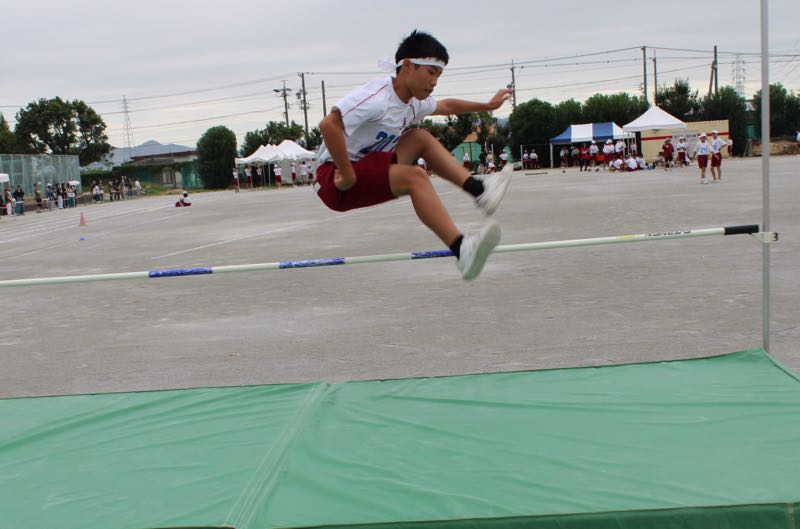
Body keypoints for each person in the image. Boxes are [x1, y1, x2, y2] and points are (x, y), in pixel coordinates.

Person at [315, 30, 513, 281]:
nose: (434, 82)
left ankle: (479, 190)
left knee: (419, 137)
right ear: (407, 66)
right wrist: (347, 174)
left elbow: (446, 106)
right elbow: (329, 124)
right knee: (416, 177)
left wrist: (488, 106)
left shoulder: (413, 103)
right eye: (431, 73)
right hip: (335, 179)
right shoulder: (378, 98)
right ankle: (462, 250)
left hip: (365, 165)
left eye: (439, 76)